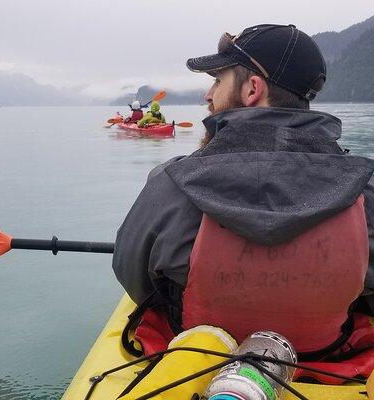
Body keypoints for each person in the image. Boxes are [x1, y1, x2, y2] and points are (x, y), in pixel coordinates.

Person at [113, 24, 374, 380]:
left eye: (218, 81)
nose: (208, 95)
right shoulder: (364, 188)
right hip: (325, 355)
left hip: (197, 355)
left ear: (253, 89)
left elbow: (133, 278)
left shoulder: (171, 182)